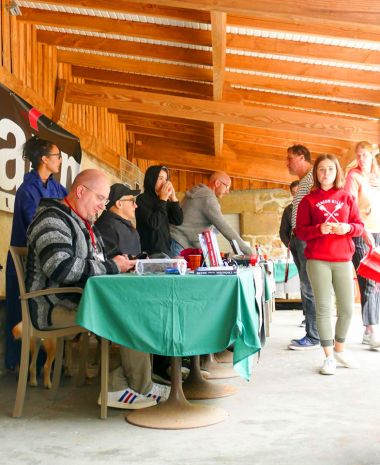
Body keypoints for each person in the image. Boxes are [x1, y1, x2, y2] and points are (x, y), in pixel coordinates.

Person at [25, 169, 170, 409]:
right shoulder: (52, 218)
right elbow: (60, 268)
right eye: (100, 199)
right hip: (51, 307)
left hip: (80, 301)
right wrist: (113, 265)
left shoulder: (83, 223)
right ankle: (129, 387)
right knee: (127, 314)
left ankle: (126, 384)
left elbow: (96, 263)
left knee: (133, 306)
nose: (103, 206)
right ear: (81, 191)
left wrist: (121, 265)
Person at [296, 154, 364, 374]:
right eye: (321, 170)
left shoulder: (347, 197)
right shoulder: (308, 200)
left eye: (330, 170)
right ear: (316, 173)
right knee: (324, 309)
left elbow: (359, 226)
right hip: (318, 261)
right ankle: (328, 358)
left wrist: (348, 229)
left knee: (346, 309)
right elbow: (300, 232)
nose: (326, 174)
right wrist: (319, 229)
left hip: (343, 259)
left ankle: (339, 349)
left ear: (337, 172)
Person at [5, 135, 67, 371]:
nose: (60, 160)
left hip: (47, 260)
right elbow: (39, 225)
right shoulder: (27, 189)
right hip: (26, 262)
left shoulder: (55, 186)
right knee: (20, 312)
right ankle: (18, 364)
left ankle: (48, 363)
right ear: (44, 159)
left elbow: (69, 208)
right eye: (57, 156)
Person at [344, 141, 380, 349]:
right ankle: (369, 330)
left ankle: (374, 326)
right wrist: (364, 230)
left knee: (378, 280)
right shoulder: (353, 176)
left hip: (379, 231)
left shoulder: (376, 177)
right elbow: (350, 205)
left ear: (372, 155)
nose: (361, 159)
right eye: (358, 155)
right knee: (368, 280)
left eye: (365, 155)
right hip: (361, 233)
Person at [170, 171, 253, 256]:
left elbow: (197, 228)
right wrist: (249, 252)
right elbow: (225, 227)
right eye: (227, 186)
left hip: (175, 241)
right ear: (217, 183)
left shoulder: (199, 194)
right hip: (179, 245)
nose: (227, 191)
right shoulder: (208, 198)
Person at [286, 144, 320, 350]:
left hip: (306, 239)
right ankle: (312, 333)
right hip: (300, 238)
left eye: (290, 158)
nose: (287, 163)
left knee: (309, 287)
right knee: (306, 286)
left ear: (301, 157)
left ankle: (314, 336)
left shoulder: (312, 179)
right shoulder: (305, 180)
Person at [135, 165, 183, 257]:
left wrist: (173, 198)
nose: (164, 182)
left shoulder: (163, 200)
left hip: (166, 251)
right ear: (152, 179)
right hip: (149, 253)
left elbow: (178, 220)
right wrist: (163, 200)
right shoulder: (142, 199)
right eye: (161, 178)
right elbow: (154, 224)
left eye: (166, 179)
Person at [95, 183, 141, 257]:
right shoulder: (106, 227)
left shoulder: (122, 225)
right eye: (132, 201)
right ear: (119, 204)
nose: (136, 205)